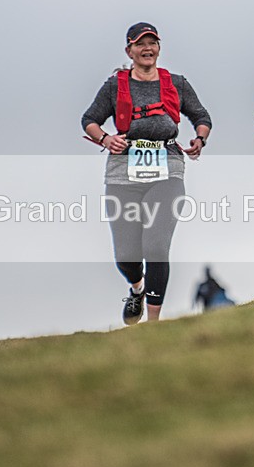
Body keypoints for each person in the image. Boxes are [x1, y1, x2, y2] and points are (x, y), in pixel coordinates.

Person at [81, 22, 212, 325]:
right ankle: (137, 288)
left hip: (168, 167)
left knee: (155, 245)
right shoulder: (115, 85)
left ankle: (153, 326)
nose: (147, 48)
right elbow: (89, 119)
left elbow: (201, 116)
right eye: (140, 44)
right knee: (126, 255)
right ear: (129, 50)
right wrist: (105, 138)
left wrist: (200, 139)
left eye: (152, 43)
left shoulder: (176, 83)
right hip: (122, 172)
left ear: (159, 48)